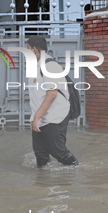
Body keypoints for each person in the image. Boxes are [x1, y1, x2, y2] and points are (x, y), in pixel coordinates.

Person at [26, 36, 78, 168]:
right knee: (40, 153)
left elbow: (52, 94)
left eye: (28, 49)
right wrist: (34, 118)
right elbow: (38, 95)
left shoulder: (50, 66)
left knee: (58, 151)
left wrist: (37, 117)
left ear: (34, 50)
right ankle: (43, 182)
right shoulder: (37, 67)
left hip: (55, 115)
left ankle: (76, 168)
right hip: (40, 116)